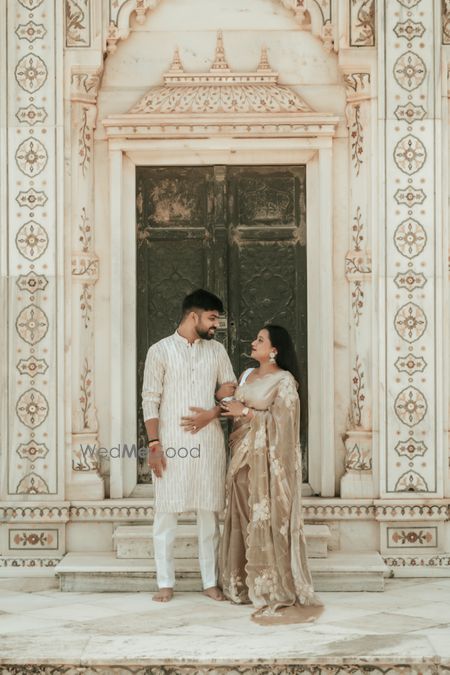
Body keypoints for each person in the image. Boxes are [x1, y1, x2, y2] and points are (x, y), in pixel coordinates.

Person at [219, 324, 323, 624]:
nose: (253, 343)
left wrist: (246, 412)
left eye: (260, 340)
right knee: (241, 512)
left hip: (267, 462)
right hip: (241, 456)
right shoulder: (246, 375)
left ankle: (269, 584)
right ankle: (240, 581)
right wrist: (227, 403)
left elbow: (285, 423)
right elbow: (233, 407)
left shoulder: (284, 381)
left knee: (264, 514)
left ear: (274, 350)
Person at [142, 289, 237, 603]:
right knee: (166, 514)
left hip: (209, 444)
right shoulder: (160, 351)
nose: (215, 325)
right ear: (193, 316)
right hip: (170, 443)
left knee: (209, 516)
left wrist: (212, 413)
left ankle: (210, 581)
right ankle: (165, 582)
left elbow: (230, 392)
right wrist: (153, 443)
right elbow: (150, 400)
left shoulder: (217, 351)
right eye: (211, 318)